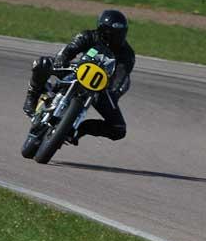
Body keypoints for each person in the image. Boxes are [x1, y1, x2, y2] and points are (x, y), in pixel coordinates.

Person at [23, 10, 135, 143]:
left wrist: (113, 89)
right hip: (76, 71)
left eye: (119, 34)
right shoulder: (88, 36)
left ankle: (81, 129)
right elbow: (69, 49)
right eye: (110, 33)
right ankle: (32, 95)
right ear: (101, 29)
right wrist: (62, 59)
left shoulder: (127, 54)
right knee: (42, 63)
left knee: (118, 129)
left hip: (100, 87)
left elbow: (121, 75)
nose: (115, 37)